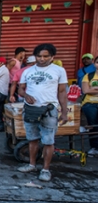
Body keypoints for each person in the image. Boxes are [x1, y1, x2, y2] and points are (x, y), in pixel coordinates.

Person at [17, 43, 68, 182]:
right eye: (39, 56)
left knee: (48, 141)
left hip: (49, 110)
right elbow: (20, 88)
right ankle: (31, 164)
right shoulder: (27, 71)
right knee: (32, 139)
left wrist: (64, 112)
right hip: (30, 110)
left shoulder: (59, 71)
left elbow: (62, 92)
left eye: (46, 56)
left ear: (52, 57)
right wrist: (26, 95)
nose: (42, 59)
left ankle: (45, 170)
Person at [81, 56, 98, 155]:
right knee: (93, 126)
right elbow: (86, 90)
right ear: (94, 64)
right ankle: (94, 147)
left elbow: (89, 90)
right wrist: (91, 90)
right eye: (97, 62)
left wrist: (95, 88)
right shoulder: (88, 76)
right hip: (89, 104)